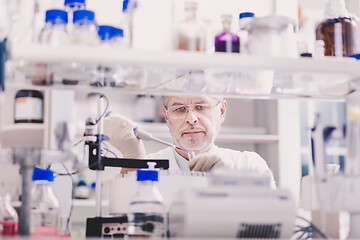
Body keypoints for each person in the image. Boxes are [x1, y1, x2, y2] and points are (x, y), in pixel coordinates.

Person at [104, 95, 275, 187]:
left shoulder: (250, 165)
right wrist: (132, 162)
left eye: (201, 107)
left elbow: (272, 230)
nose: (191, 118)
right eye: (179, 109)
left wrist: (230, 182)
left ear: (221, 111)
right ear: (166, 116)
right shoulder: (147, 168)